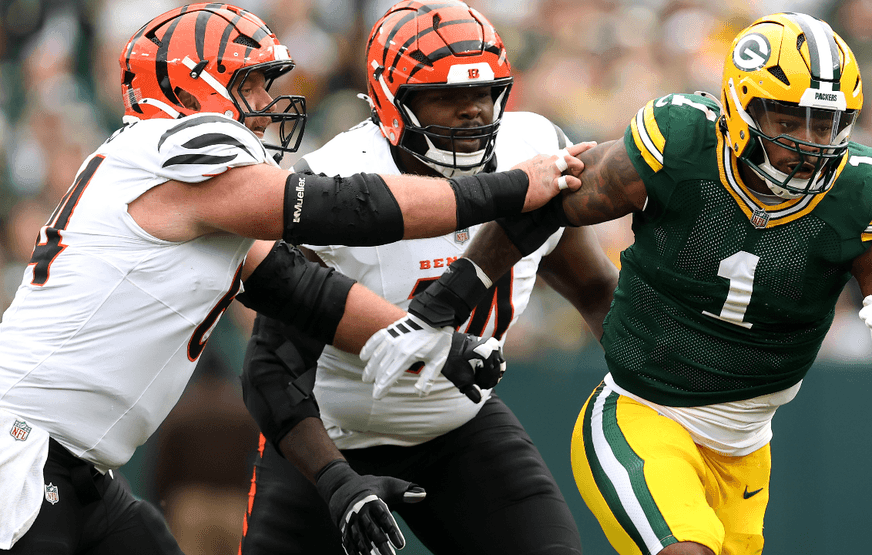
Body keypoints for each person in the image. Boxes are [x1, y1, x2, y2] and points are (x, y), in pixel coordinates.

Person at [0, 3, 591, 554]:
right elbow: (347, 208)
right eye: (250, 83)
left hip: (76, 463)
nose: (267, 100)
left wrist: (437, 343)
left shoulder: (171, 185)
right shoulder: (171, 147)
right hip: (19, 452)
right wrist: (514, 187)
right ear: (187, 88)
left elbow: (299, 290)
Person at [364, 12, 872, 555]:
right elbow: (545, 206)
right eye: (788, 118)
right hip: (642, 413)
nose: (807, 144)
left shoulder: (865, 193)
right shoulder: (681, 144)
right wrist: (445, 303)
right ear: (740, 108)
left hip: (748, 448)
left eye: (825, 123)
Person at [237, 2, 619, 555]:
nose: (470, 111)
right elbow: (271, 371)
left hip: (460, 424)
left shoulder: (530, 148)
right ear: (392, 105)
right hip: (330, 440)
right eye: (444, 96)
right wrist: (337, 483)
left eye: (482, 93)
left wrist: (663, 393)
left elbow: (591, 288)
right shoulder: (336, 185)